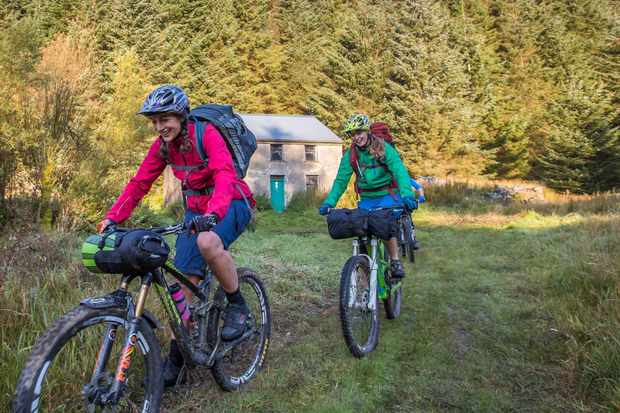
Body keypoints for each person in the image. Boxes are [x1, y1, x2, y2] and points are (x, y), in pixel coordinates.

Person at [97, 85, 255, 387]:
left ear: (181, 115)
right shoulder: (163, 146)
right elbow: (139, 183)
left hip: (231, 202)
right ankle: (178, 358)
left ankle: (237, 305)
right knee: (178, 290)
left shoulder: (206, 134)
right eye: (154, 121)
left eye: (165, 119)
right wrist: (113, 217)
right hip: (195, 214)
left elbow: (224, 173)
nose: (160, 127)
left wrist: (214, 214)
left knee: (208, 241)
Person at [318, 114, 416, 279]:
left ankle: (394, 260)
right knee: (360, 227)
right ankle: (366, 265)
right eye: (352, 134)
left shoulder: (384, 148)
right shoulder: (351, 155)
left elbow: (399, 171)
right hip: (367, 199)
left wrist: (407, 194)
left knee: (386, 225)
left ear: (367, 131)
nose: (356, 137)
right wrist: (329, 202)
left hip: (388, 195)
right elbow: (341, 181)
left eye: (359, 132)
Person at [369, 122, 425, 249]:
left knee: (407, 214)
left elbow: (418, 186)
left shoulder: (402, 175)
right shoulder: (381, 150)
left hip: (400, 197)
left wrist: (420, 196)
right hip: (389, 197)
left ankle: (411, 237)